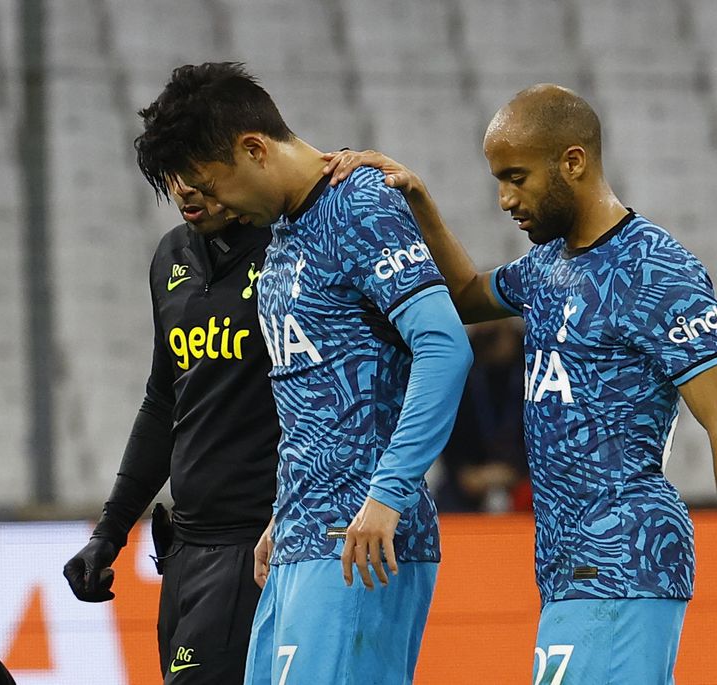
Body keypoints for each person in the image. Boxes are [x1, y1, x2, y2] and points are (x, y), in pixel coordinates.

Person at [323, 84, 717, 684]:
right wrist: (419, 199)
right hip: (569, 570)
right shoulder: (550, 264)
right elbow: (469, 293)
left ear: (572, 162)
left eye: (516, 177)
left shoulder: (657, 271)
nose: (504, 198)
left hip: (625, 557)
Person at [133, 62, 472, 685]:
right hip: (298, 537)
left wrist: (389, 493)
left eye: (212, 183)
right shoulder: (286, 229)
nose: (209, 204)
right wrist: (284, 513)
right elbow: (310, 394)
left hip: (361, 540)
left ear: (254, 148)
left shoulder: (360, 204)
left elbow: (446, 346)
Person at [62, 176, 280, 684]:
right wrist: (109, 534)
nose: (184, 190)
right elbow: (164, 402)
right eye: (173, 176)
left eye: (198, 172)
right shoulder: (170, 255)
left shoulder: (289, 251)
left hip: (256, 544)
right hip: (183, 550)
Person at [438, 319, 530, 513]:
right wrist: (465, 473)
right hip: (468, 478)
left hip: (526, 475)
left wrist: (517, 471)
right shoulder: (460, 365)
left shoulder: (534, 362)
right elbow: (445, 427)